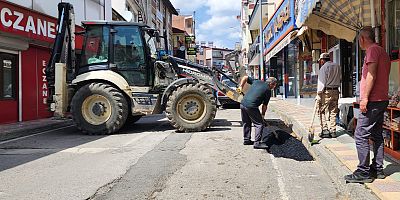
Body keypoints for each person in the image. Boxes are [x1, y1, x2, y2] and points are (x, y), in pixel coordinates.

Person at [345, 26, 391, 183]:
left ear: (362, 39)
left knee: (360, 134)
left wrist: (364, 98)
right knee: (377, 135)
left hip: (373, 100)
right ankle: (378, 169)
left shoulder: (372, 51)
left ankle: (363, 171)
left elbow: (371, 75)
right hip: (382, 99)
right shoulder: (382, 52)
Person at [238, 76, 277, 149]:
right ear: (271, 84)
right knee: (259, 124)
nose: (274, 87)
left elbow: (245, 77)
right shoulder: (268, 90)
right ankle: (257, 143)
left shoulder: (257, 81)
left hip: (242, 104)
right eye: (274, 85)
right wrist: (262, 115)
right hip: (251, 106)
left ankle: (246, 140)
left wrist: (241, 86)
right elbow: (264, 106)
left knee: (246, 122)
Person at [316, 53, 341, 138]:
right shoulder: (337, 66)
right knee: (333, 111)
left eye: (320, 61)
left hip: (326, 91)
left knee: (321, 110)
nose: (320, 62)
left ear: (322, 60)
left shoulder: (324, 68)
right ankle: (333, 131)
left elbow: (321, 82)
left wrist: (319, 94)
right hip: (336, 91)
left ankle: (325, 130)